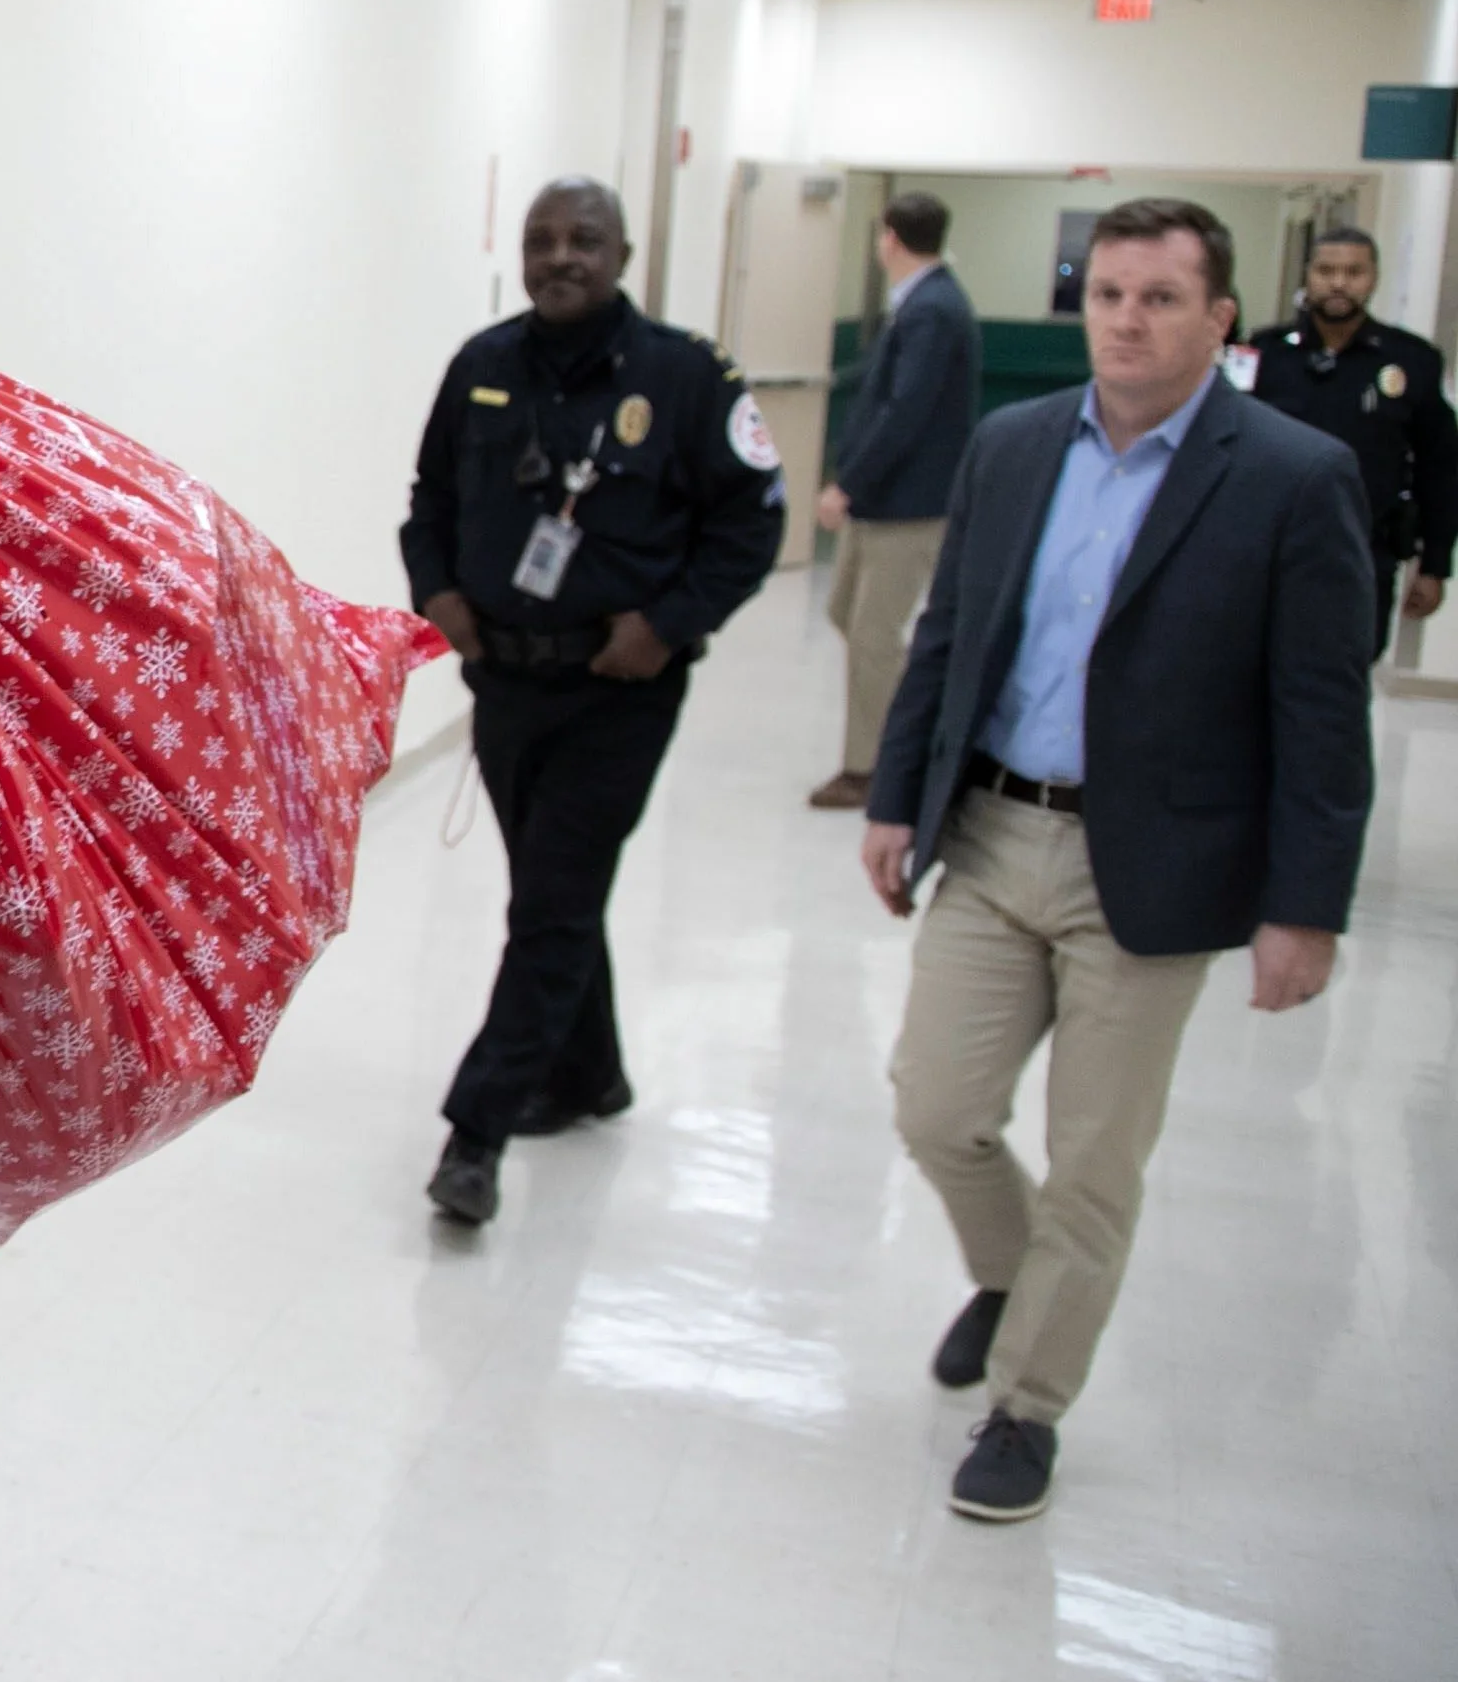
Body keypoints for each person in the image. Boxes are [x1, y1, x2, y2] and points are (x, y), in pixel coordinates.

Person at [861, 196, 1374, 1524]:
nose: (1126, 319)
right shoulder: (1015, 445)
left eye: (1159, 298)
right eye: (1107, 295)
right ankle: (1009, 1270)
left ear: (1219, 319)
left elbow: (1322, 716)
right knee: (935, 1104)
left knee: (1093, 1157)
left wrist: (1302, 908)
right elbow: (952, 633)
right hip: (992, 828)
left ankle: (1026, 1407)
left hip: (1152, 867)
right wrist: (897, 795)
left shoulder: (1291, 475)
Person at [400, 180, 785, 1227]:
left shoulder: (686, 376)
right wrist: (437, 596)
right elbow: (427, 501)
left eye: (582, 239)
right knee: (551, 890)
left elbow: (751, 525)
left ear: (623, 251)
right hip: (506, 680)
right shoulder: (482, 367)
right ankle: (591, 1075)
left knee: (552, 900)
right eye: (541, 240)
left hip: (619, 689)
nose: (559, 256)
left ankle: (473, 1134)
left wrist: (664, 625)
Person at [810, 192, 980, 809]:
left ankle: (873, 769)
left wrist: (846, 483)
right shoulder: (919, 306)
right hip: (883, 503)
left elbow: (905, 412)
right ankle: (910, 730)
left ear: (889, 238)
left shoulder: (933, 310)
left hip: (907, 506)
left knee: (873, 632)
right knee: (846, 616)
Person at [1236, 225, 1456, 657]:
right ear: (1308, 276)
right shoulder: (1264, 352)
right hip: (1266, 550)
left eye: (1354, 271)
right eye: (1326, 270)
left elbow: (1441, 465)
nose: (1339, 282)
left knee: (1344, 681)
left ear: (1373, 278)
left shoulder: (1411, 360)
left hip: (1364, 553)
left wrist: (1433, 565)